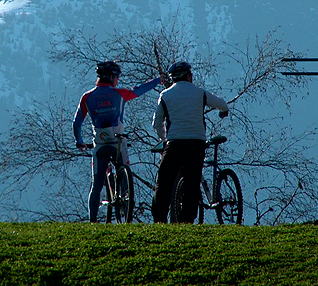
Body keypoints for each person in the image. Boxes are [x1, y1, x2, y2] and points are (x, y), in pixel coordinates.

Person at [73, 61, 161, 222]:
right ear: (111, 76)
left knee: (96, 185)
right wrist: (157, 80)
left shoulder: (87, 97)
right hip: (118, 143)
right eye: (117, 77)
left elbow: (77, 122)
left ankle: (92, 222)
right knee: (124, 176)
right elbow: (139, 90)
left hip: (100, 145)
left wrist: (79, 140)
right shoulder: (119, 93)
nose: (118, 80)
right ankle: (125, 210)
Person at [151, 61, 229, 223]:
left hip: (174, 143)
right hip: (196, 144)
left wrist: (165, 139)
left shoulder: (165, 95)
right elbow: (221, 104)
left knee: (164, 182)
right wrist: (224, 111)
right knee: (192, 184)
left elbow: (157, 123)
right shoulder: (200, 93)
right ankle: (186, 221)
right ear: (188, 76)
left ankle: (159, 219)